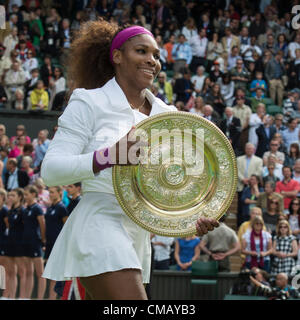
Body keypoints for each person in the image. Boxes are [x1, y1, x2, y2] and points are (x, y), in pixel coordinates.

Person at [40, 22, 219, 300]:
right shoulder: (88, 102)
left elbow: (170, 181)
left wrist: (191, 215)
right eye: (141, 51)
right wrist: (108, 156)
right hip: (98, 224)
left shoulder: (166, 112)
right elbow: (50, 171)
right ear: (117, 56)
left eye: (156, 55)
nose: (152, 60)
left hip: (138, 237)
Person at [44, 186, 69, 300]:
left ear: (60, 193)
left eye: (53, 192)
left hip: (58, 244)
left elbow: (66, 226)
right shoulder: (50, 208)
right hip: (49, 244)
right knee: (49, 273)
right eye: (49, 192)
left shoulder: (61, 208)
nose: (50, 194)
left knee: (54, 273)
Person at [22, 185, 46, 300]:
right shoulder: (26, 208)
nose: (25, 197)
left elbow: (42, 224)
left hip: (35, 242)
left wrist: (43, 240)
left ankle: (40, 297)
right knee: (28, 272)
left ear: (33, 194)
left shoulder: (37, 208)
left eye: (27, 194)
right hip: (26, 243)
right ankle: (26, 297)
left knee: (40, 273)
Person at [5, 188, 27, 299]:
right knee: (10, 272)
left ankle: (22, 296)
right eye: (9, 195)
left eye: (12, 195)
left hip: (20, 244)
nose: (10, 197)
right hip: (10, 243)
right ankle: (11, 296)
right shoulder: (10, 211)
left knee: (21, 272)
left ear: (19, 197)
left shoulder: (23, 211)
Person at [0, 189, 8, 298]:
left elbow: (8, 226)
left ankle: (3, 293)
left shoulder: (5, 210)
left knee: (2, 268)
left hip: (2, 241)